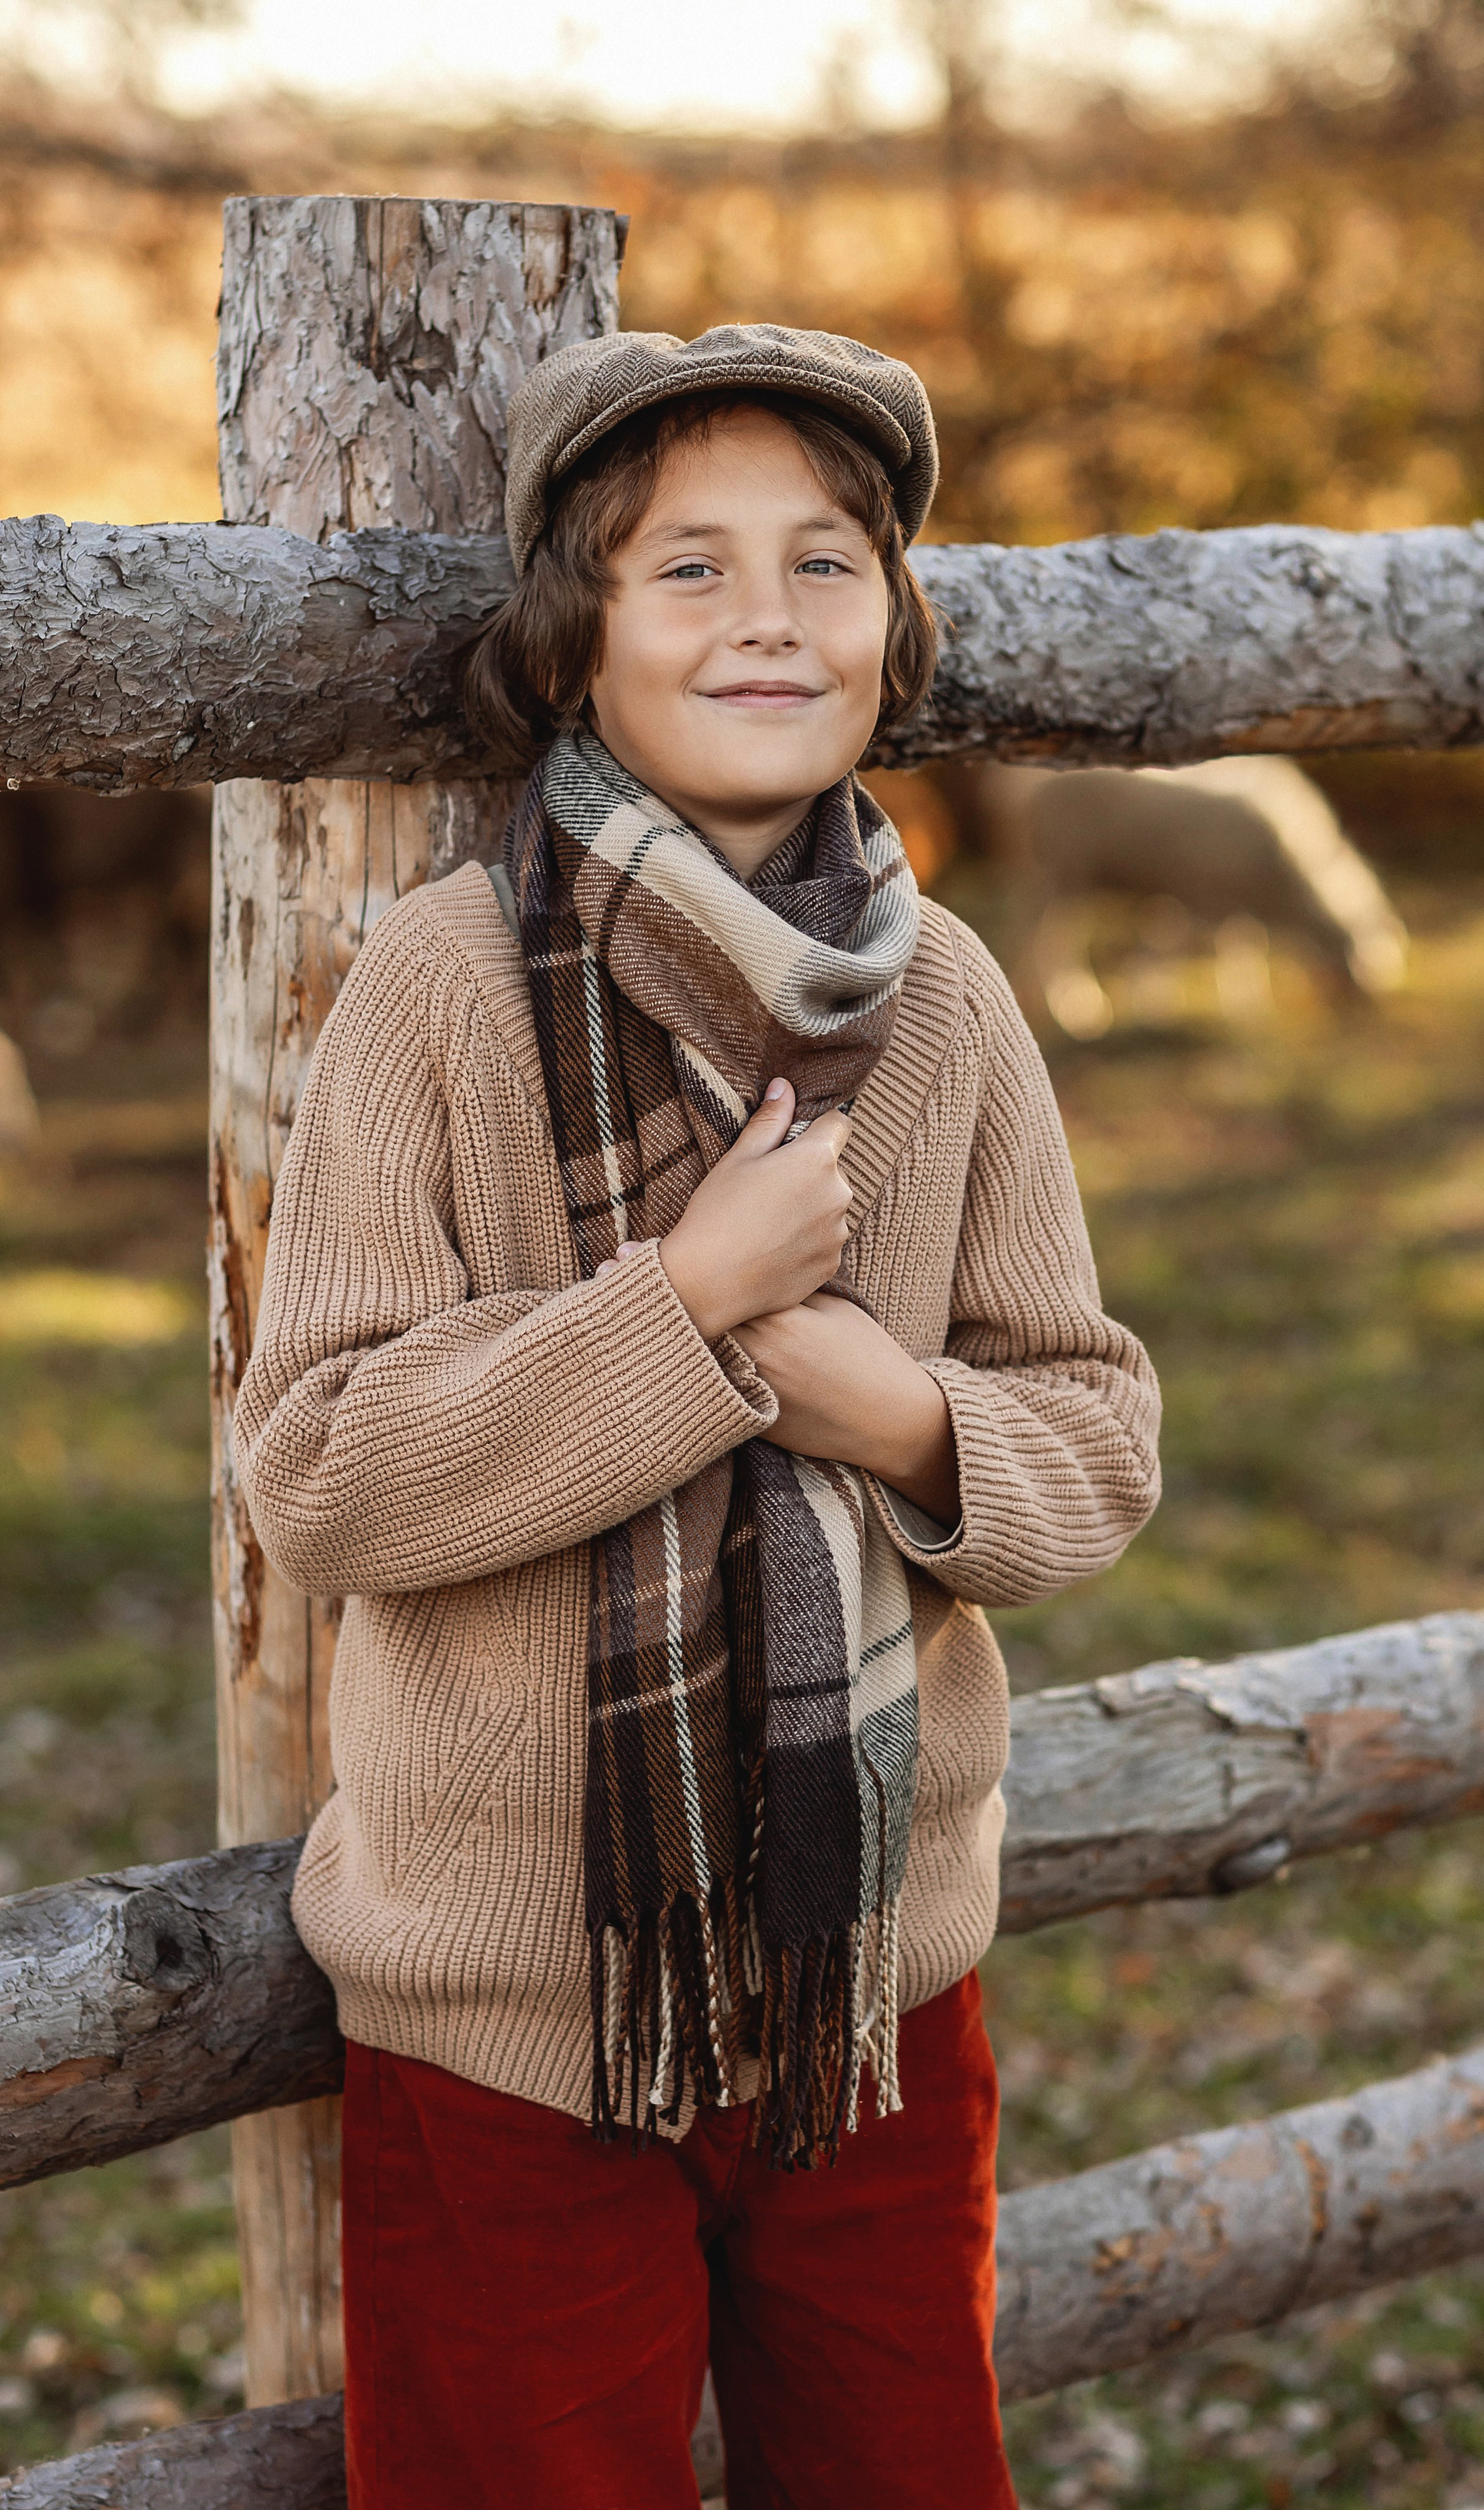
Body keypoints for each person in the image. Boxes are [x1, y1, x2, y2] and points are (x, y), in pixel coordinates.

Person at [233, 323, 1161, 2510]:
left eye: (826, 563)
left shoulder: (946, 1005)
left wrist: (901, 1416)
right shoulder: (441, 991)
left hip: (871, 1992)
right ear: (573, 647)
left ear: (893, 627)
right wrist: (691, 1322)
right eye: (689, 571)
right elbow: (325, 1468)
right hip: (517, 2016)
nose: (768, 617)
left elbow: (1094, 1432)